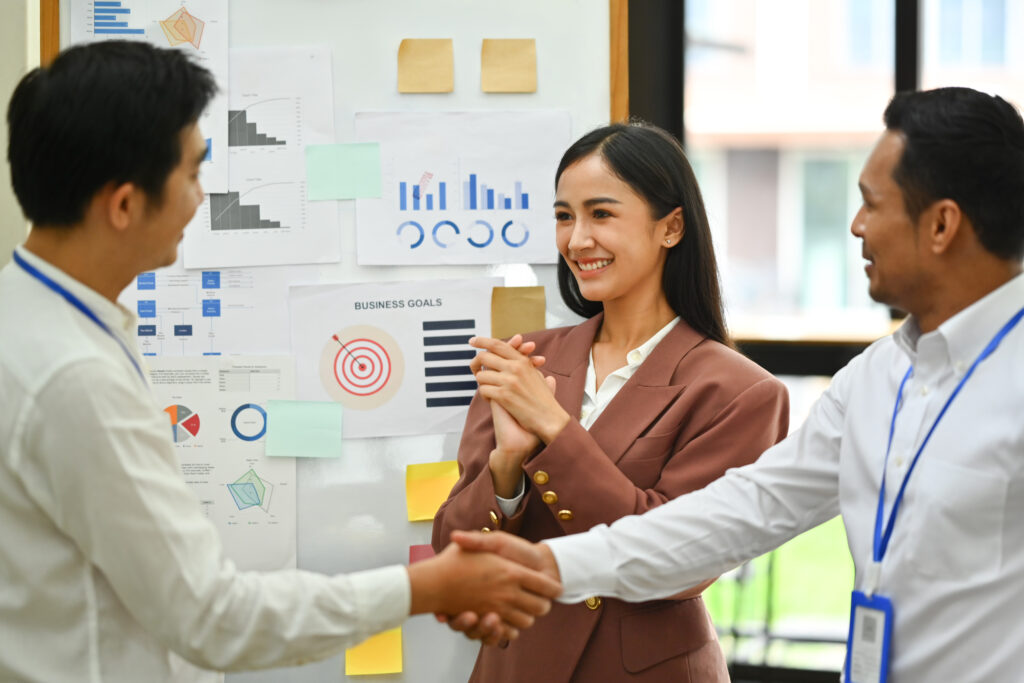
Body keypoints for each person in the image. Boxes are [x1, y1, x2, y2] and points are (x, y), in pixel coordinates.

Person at [0, 41, 559, 683]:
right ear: (124, 205)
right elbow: (212, 618)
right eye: (191, 175)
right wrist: (427, 587)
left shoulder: (29, 319)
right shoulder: (75, 378)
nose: (200, 200)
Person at [455, 87, 1024, 682]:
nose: (856, 225)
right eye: (565, 216)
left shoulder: (737, 386)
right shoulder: (876, 378)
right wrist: (537, 567)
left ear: (941, 224)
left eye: (871, 203)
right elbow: (737, 514)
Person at [432, 122, 789, 682]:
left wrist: (554, 427)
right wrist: (506, 468)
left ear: (671, 227)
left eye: (601, 214)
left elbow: (679, 564)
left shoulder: (741, 393)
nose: (577, 240)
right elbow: (452, 552)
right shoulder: (526, 361)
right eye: (564, 216)